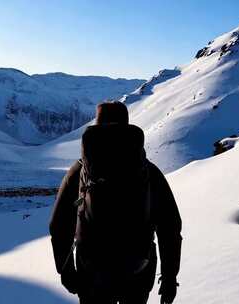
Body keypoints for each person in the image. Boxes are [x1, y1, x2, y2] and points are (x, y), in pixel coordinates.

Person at [49, 101, 182, 304]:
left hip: (92, 271)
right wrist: (170, 277)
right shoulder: (147, 171)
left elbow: (59, 225)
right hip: (138, 267)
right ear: (127, 124)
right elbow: (169, 227)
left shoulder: (79, 171)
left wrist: (65, 270)